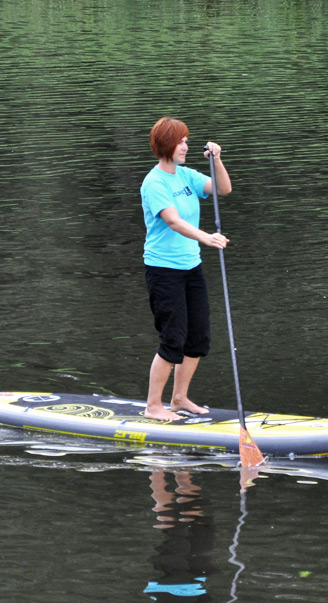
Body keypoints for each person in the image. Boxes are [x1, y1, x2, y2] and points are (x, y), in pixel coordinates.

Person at [140, 117, 232, 422]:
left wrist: (216, 160)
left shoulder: (185, 175)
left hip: (191, 268)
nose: (186, 146)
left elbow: (223, 188)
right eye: (180, 141)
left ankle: (179, 399)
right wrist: (207, 237)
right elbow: (173, 221)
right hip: (163, 271)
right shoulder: (154, 183)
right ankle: (154, 406)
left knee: (198, 338)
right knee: (173, 339)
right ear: (166, 144)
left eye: (186, 141)